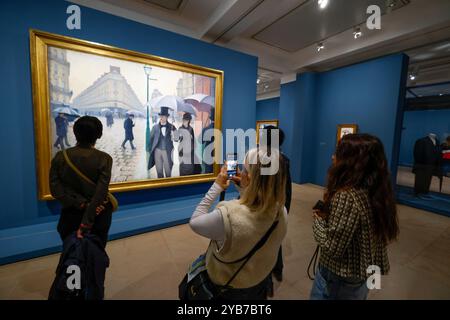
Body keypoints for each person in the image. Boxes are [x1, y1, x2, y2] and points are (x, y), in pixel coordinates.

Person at [189, 147, 288, 299]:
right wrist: (246, 186)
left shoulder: (228, 216)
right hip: (258, 282)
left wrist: (217, 186)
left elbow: (195, 221)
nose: (240, 171)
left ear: (249, 177)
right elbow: (258, 201)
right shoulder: (281, 212)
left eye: (243, 169)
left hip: (228, 288)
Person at [309, 134, 399, 300]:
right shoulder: (375, 192)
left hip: (338, 278)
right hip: (360, 275)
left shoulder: (347, 196)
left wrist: (319, 221)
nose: (332, 156)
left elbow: (332, 248)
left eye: (338, 152)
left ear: (353, 161)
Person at [49, 116, 113, 248]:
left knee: (72, 255)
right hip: (97, 215)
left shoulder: (61, 157)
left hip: (71, 214)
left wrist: (80, 203)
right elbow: (100, 193)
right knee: (95, 256)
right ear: (99, 135)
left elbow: (56, 190)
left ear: (75, 132)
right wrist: (86, 223)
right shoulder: (104, 159)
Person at [262, 125, 292, 296]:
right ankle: (278, 269)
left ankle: (267, 283)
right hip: (279, 208)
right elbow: (287, 188)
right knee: (275, 238)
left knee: (264, 244)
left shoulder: (266, 160)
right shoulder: (284, 159)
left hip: (267, 208)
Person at [148, 107, 176, 178]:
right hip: (157, 151)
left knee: (168, 172)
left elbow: (177, 138)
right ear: (160, 116)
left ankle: (168, 186)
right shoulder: (155, 127)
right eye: (161, 116)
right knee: (159, 172)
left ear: (167, 117)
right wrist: (151, 149)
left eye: (164, 116)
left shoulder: (172, 127)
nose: (163, 118)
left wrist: (174, 135)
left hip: (167, 151)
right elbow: (150, 139)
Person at [201, 107, 215, 174]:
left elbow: (201, 141)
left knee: (208, 174)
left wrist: (203, 129)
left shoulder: (206, 129)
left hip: (208, 155)